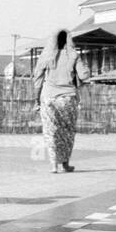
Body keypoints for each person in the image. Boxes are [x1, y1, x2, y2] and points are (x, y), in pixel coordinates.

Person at [33, 29, 89, 173]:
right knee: (67, 132)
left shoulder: (46, 56)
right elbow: (84, 76)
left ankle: (53, 165)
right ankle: (65, 164)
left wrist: (36, 100)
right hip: (68, 98)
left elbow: (37, 80)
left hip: (48, 97)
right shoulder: (73, 55)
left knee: (51, 132)